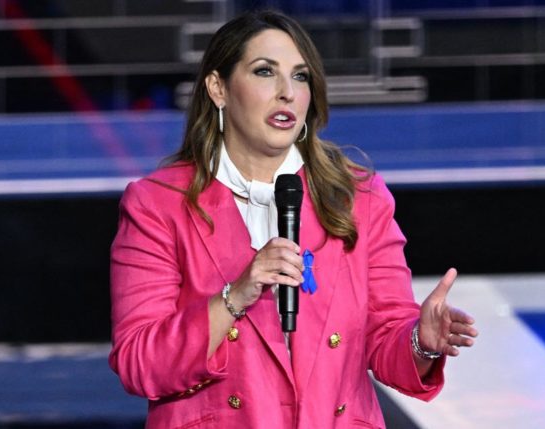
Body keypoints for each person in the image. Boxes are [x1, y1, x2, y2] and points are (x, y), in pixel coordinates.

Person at [109, 9, 477, 428]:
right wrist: (236, 296)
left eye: (300, 77)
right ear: (218, 88)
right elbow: (140, 363)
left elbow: (385, 338)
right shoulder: (158, 204)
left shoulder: (358, 197)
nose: (287, 92)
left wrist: (420, 343)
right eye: (265, 72)